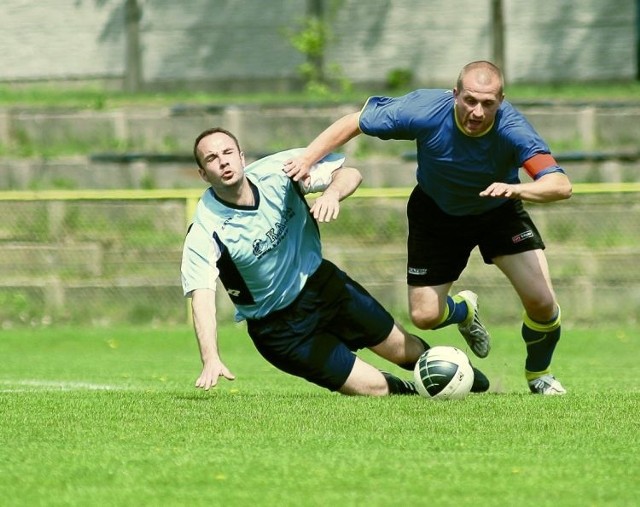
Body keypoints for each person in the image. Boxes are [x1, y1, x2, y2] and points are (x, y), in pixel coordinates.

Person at [282, 61, 572, 395]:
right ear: (455, 95)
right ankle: (464, 310)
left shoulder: (513, 130)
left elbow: (560, 184)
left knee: (542, 302)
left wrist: (518, 189)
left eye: (488, 103)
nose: (477, 111)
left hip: (498, 210)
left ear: (501, 101)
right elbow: (354, 122)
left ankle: (539, 374)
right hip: (436, 213)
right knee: (424, 316)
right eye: (470, 100)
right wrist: (306, 160)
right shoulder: (423, 110)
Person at [181, 127, 489, 396]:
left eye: (227, 152)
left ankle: (463, 376)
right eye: (211, 159)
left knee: (404, 350)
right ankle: (413, 391)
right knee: (376, 389)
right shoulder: (206, 229)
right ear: (203, 174)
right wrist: (211, 357)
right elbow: (202, 298)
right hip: (280, 330)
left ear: (242, 156)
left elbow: (350, 173)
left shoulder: (280, 171)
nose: (222, 161)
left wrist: (331, 194)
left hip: (324, 287)